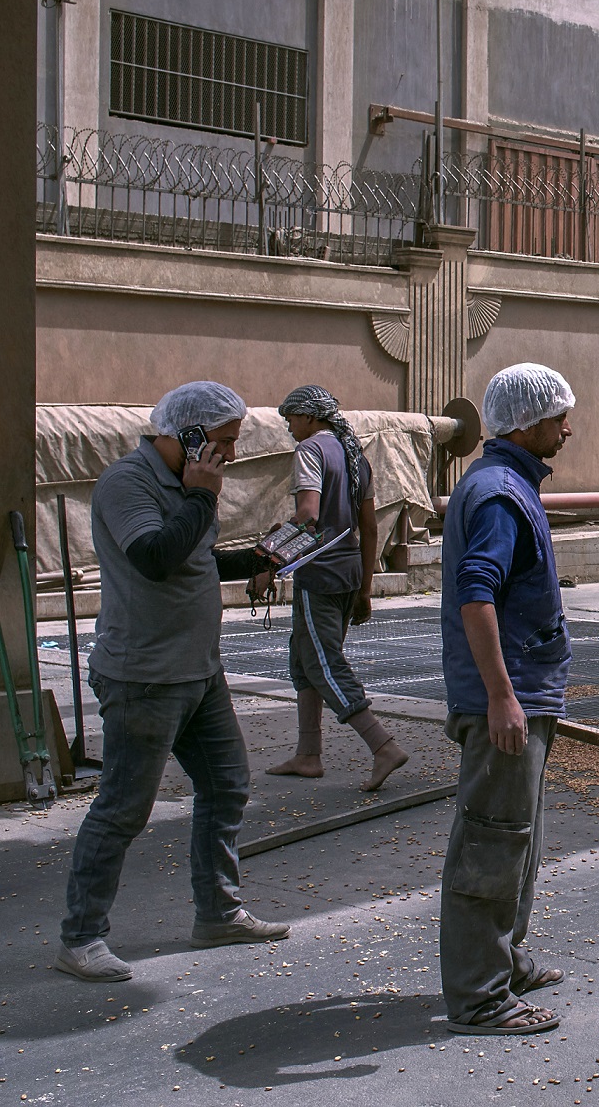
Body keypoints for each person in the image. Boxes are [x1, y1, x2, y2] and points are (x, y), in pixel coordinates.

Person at [55, 382, 290, 983]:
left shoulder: (192, 490)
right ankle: (81, 937)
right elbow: (156, 557)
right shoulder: (127, 483)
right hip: (145, 675)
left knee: (227, 784)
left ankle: (218, 912)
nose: (231, 456)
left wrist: (252, 563)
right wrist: (202, 497)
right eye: (223, 443)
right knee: (123, 808)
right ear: (186, 437)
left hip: (198, 670)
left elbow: (195, 557)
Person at [437, 363, 576, 1035]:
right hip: (506, 697)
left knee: (519, 841)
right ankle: (479, 996)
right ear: (524, 423)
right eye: (558, 418)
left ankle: (504, 960)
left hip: (525, 691)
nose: (567, 430)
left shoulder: (510, 484)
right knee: (492, 844)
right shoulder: (498, 494)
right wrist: (501, 696)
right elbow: (476, 592)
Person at [257, 385, 408, 791]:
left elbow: (307, 517)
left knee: (323, 663)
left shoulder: (311, 451)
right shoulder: (355, 456)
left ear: (309, 417)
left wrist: (267, 561)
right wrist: (365, 588)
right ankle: (308, 755)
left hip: (319, 574)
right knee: (306, 661)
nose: (289, 426)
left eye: (291, 418)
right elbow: (370, 528)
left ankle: (382, 745)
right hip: (348, 573)